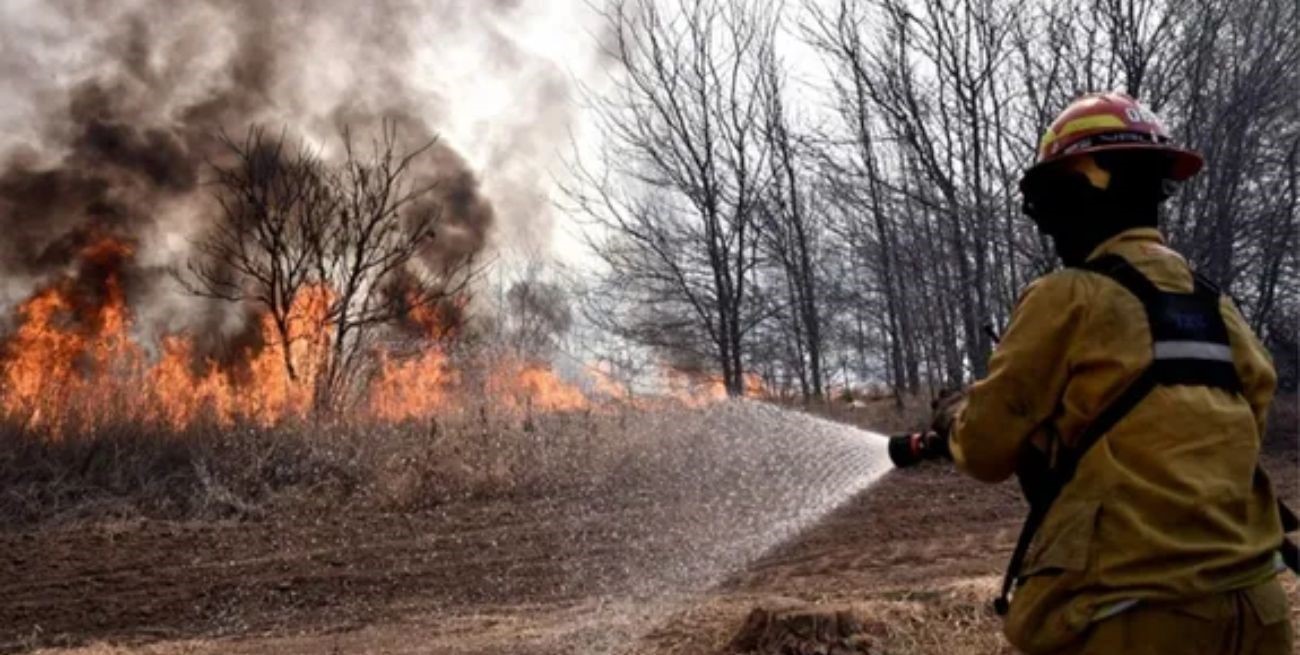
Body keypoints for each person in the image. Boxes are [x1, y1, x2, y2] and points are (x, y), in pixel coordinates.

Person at [934, 92, 1295, 654]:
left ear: (1078, 194)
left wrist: (954, 415)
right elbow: (1243, 420)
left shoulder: (1068, 298)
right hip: (1257, 609)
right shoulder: (1217, 308)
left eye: (1051, 205)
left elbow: (983, 449)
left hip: (1135, 612)